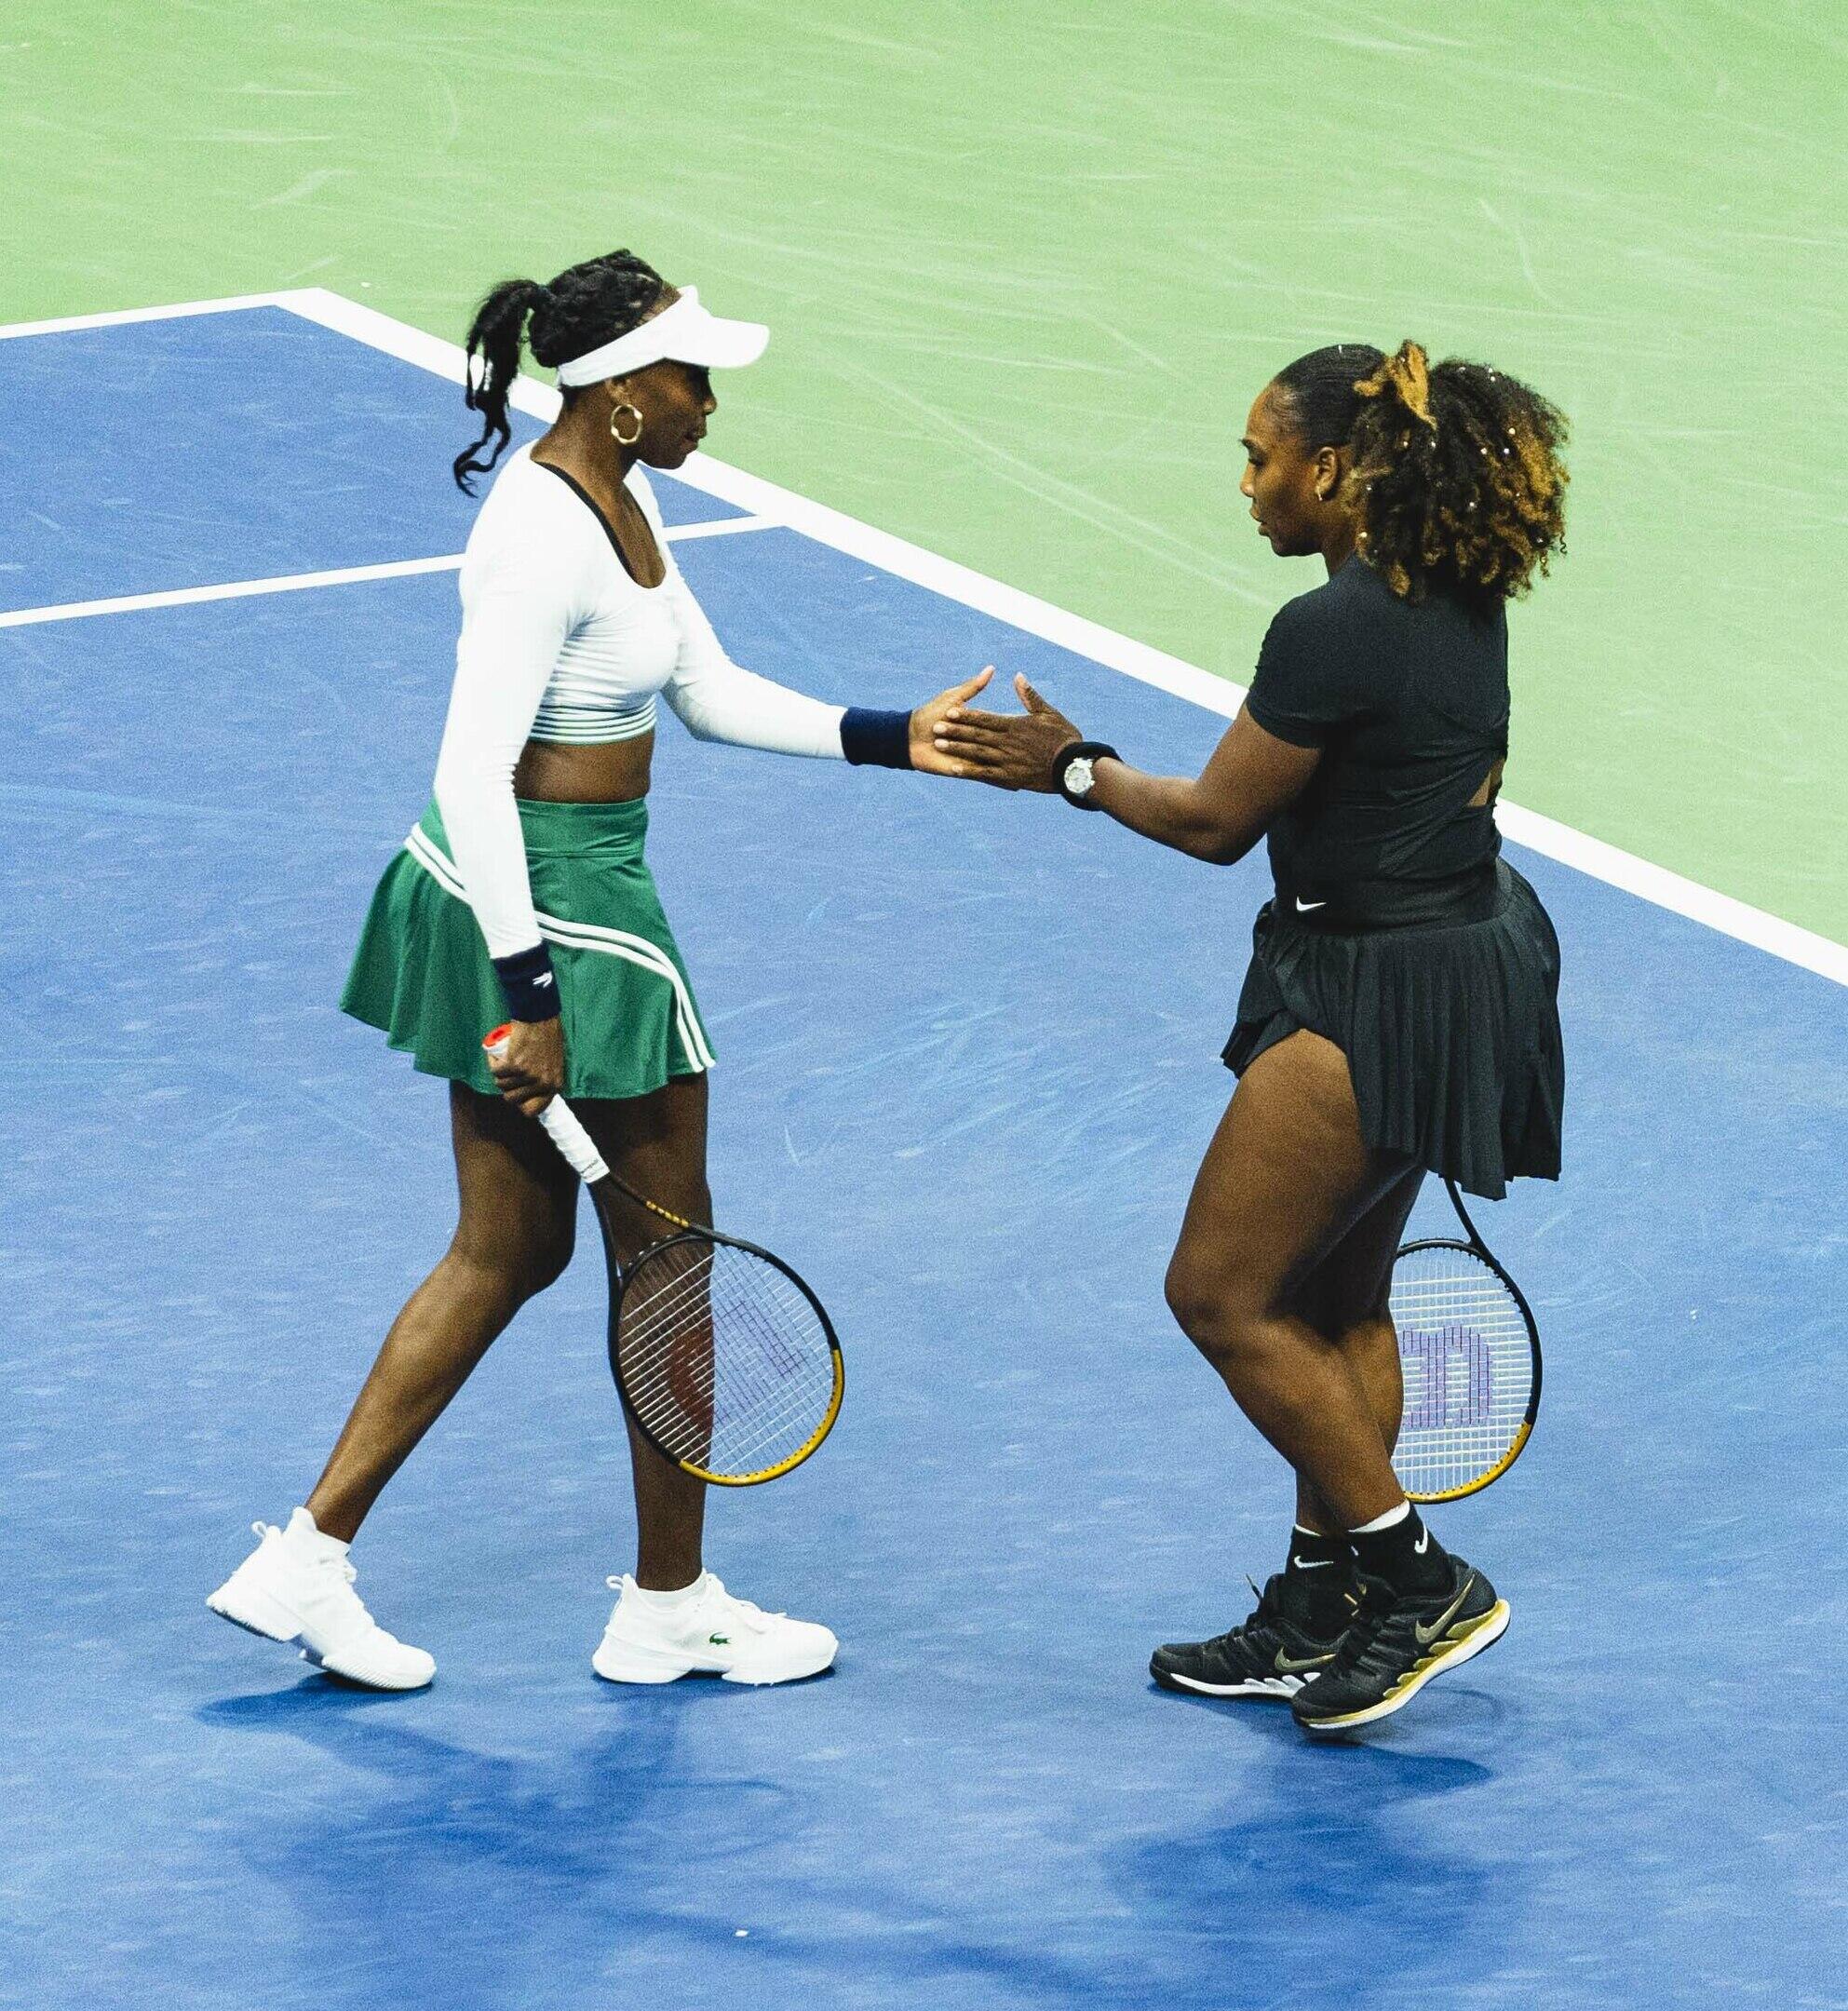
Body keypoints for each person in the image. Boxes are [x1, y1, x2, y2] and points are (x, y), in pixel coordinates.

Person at [209, 250, 988, 1691]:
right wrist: (533, 994)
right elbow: (471, 765)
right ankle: (667, 1605)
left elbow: (702, 693)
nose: (709, 406)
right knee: (669, 1263)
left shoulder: (617, 500)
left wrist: (893, 734)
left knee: (510, 1252)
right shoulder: (543, 537)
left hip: (543, 886)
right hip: (557, 901)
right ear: (621, 393)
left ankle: (301, 1562)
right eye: (693, 380)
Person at [931, 341, 1568, 1733]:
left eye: (1258, 457)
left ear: (1332, 469)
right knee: (1334, 1298)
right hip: (1451, 954)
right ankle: (1319, 1599)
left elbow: (1218, 824)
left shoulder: (1330, 627)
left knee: (1221, 1295)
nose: (1243, 484)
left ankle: (1412, 1581)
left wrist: (1074, 768)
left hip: (1379, 986)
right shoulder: (1444, 581)